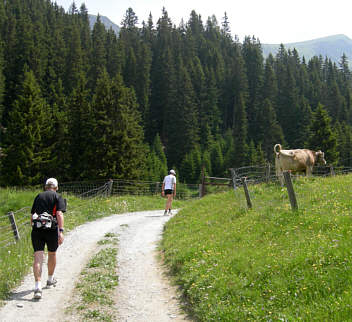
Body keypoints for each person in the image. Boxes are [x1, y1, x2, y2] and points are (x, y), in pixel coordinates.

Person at [30, 178, 66, 299]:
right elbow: (59, 214)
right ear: (56, 187)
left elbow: (32, 216)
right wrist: (61, 231)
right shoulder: (58, 197)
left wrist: (35, 227)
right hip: (51, 230)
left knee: (38, 258)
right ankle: (50, 279)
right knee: (52, 254)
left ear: (46, 186)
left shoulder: (38, 196)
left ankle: (37, 287)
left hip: (37, 230)